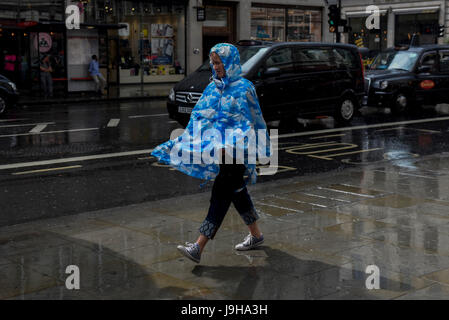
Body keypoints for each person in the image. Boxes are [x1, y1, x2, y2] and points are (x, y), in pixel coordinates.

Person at [151, 43, 271, 263]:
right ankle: (256, 235)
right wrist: (187, 141)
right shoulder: (212, 88)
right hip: (219, 151)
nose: (215, 67)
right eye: (213, 63)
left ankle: (198, 246)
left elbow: (253, 121)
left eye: (219, 63)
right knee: (237, 191)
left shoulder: (244, 88)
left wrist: (255, 149)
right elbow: (200, 117)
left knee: (221, 192)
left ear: (230, 62)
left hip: (237, 152)